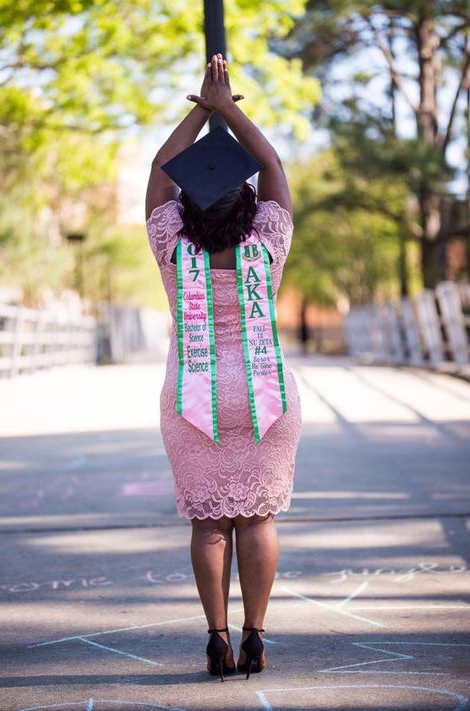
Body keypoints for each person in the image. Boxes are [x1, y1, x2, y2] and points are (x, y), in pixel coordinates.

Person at [145, 53, 302, 681]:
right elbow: (273, 168)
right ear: (247, 206)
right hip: (265, 396)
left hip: (193, 395)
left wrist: (198, 111)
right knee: (257, 516)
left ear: (186, 212)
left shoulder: (171, 249)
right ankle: (256, 636)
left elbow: (159, 173)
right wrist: (228, 108)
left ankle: (216, 639)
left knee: (210, 523)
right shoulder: (268, 243)